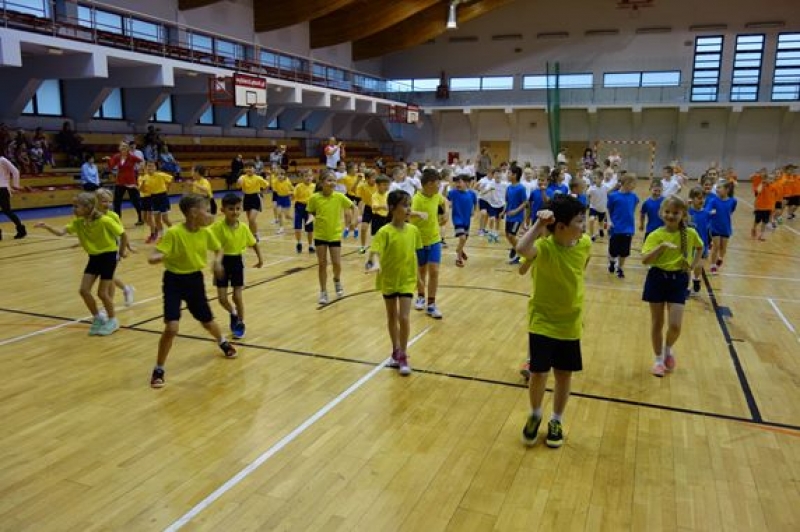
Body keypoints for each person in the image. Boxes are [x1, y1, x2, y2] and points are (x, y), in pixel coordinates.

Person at [518, 195, 591, 448]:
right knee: (539, 373)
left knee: (563, 375)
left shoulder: (585, 244)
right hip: (543, 321)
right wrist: (539, 225)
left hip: (570, 322)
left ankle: (556, 420)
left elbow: (581, 269)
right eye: (579, 221)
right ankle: (535, 414)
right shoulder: (545, 248)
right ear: (560, 226)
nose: (584, 225)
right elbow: (522, 249)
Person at [147, 194, 237, 389]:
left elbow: (219, 249)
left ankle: (222, 341)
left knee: (207, 321)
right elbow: (153, 256)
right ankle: (159, 369)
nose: (210, 215)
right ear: (194, 212)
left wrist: (217, 261)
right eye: (207, 210)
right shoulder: (174, 233)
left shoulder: (206, 232)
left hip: (195, 280)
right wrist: (158, 257)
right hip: (173, 281)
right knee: (172, 328)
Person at [35, 192, 128, 335]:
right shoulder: (79, 223)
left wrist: (121, 252)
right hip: (94, 257)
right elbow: (61, 232)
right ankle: (98, 318)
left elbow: (123, 234)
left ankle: (113, 320)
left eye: (76, 206)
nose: (73, 209)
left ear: (88, 207)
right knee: (84, 291)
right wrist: (46, 226)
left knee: (102, 293)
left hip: (108, 257)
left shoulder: (104, 220)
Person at [641, 196, 703, 377]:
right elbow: (645, 260)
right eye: (667, 212)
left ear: (683, 214)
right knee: (657, 322)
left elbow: (700, 247)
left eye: (675, 212)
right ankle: (658, 360)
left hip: (679, 280)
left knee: (675, 325)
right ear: (661, 213)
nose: (670, 215)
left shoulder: (690, 233)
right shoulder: (655, 235)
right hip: (657, 279)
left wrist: (692, 265)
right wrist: (660, 247)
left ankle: (668, 349)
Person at [364, 190, 423, 376]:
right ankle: (395, 350)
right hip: (388, 279)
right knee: (392, 316)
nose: (409, 209)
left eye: (409, 205)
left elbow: (414, 255)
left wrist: (419, 278)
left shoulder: (413, 230)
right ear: (391, 208)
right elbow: (375, 252)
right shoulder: (384, 232)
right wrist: (376, 264)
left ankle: (403, 354)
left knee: (404, 317)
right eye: (404, 205)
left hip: (407, 279)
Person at [210, 194, 264, 340]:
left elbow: (254, 243)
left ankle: (240, 322)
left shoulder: (244, 228)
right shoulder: (217, 227)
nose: (235, 212)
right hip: (222, 263)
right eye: (231, 209)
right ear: (222, 210)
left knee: (237, 296)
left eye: (238, 209)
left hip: (237, 262)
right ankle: (233, 312)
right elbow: (208, 240)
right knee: (222, 299)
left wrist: (260, 259)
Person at [307, 169, 355, 305]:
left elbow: (354, 207)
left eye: (334, 180)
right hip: (320, 234)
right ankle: (323, 291)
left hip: (334, 235)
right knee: (322, 264)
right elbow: (311, 212)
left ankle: (337, 280)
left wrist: (353, 221)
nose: (332, 182)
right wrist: (310, 219)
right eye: (329, 180)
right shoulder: (314, 198)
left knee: (337, 264)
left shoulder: (339, 197)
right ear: (322, 183)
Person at [411, 168, 445, 319]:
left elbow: (445, 202)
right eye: (438, 183)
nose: (439, 186)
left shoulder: (437, 196)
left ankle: (431, 304)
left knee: (434, 271)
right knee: (421, 271)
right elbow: (406, 212)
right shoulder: (416, 199)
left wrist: (446, 213)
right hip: (419, 241)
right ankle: (420, 296)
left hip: (434, 239)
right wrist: (418, 213)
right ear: (430, 184)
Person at [95, 188, 136, 307]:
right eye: (104, 201)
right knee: (108, 275)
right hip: (98, 250)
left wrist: (127, 247)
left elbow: (123, 233)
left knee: (108, 276)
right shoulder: (93, 216)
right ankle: (126, 289)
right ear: (96, 201)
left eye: (110, 201)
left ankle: (108, 304)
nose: (108, 204)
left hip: (113, 249)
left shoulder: (113, 216)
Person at [606, 174, 639, 279]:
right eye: (633, 183)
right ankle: (612, 262)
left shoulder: (634, 197)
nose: (634, 186)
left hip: (628, 229)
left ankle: (620, 268)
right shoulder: (613, 196)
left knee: (624, 252)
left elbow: (633, 208)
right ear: (626, 183)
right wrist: (609, 221)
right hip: (616, 228)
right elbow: (608, 209)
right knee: (613, 251)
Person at [106, 141, 143, 226]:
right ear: (119, 148)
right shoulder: (116, 157)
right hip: (120, 182)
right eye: (122, 146)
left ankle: (141, 218)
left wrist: (141, 168)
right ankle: (117, 220)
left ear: (128, 148)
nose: (123, 147)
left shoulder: (132, 157)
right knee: (117, 202)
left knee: (136, 201)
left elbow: (141, 161)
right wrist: (108, 160)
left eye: (125, 146)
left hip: (131, 182)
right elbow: (111, 167)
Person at [138, 160, 173, 243]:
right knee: (157, 219)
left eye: (152, 166)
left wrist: (167, 188)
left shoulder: (160, 175)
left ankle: (174, 233)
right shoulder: (145, 177)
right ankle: (161, 236)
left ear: (155, 167)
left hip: (163, 197)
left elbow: (171, 179)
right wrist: (143, 183)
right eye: (148, 166)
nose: (150, 168)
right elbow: (141, 190)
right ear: (146, 167)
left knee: (165, 219)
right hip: (153, 198)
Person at [447, 174, 478, 267]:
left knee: (464, 239)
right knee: (462, 238)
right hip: (457, 219)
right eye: (456, 182)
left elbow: (476, 204)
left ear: (467, 183)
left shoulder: (472, 194)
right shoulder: (454, 192)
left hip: (467, 220)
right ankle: (458, 258)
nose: (457, 184)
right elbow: (445, 198)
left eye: (459, 182)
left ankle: (459, 249)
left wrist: (474, 211)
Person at [687, 187, 713, 293]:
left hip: (702, 244)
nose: (701, 200)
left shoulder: (707, 213)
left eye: (703, 198)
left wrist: (710, 242)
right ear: (692, 199)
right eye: (698, 198)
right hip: (690, 244)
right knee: (688, 266)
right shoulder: (688, 212)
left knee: (699, 265)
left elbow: (709, 229)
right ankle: (687, 287)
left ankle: (696, 279)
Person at [236, 161, 270, 241]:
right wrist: (238, 182)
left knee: (252, 219)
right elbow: (238, 186)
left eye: (250, 167)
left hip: (255, 198)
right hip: (246, 198)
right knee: (250, 220)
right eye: (246, 168)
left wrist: (263, 192)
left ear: (254, 169)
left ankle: (254, 234)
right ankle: (253, 234)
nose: (248, 169)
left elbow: (267, 185)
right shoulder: (242, 177)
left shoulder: (258, 178)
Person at [708, 181, 737, 275]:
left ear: (727, 190)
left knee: (723, 248)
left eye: (719, 187)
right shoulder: (713, 201)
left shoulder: (733, 201)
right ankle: (713, 266)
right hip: (714, 227)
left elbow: (731, 210)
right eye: (717, 187)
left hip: (726, 227)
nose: (717, 189)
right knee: (715, 246)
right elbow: (707, 210)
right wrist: (710, 212)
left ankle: (720, 259)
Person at [505, 166, 528, 264]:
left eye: (509, 173)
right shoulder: (508, 187)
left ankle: (520, 254)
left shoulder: (521, 188)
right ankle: (515, 247)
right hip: (508, 216)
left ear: (515, 175)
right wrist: (503, 211)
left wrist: (516, 211)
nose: (507, 175)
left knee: (511, 235)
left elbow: (525, 202)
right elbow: (507, 201)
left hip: (517, 217)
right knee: (507, 235)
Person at [0, 155, 27, 239]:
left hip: (2, 189)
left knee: (7, 211)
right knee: (7, 211)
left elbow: (16, 171)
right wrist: (13, 187)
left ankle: (21, 230)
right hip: (3, 189)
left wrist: (15, 185)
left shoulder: (2, 160)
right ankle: (21, 230)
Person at [292, 169, 316, 254]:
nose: (308, 178)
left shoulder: (315, 187)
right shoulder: (298, 186)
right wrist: (291, 195)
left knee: (310, 229)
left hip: (310, 208)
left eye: (310, 176)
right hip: (300, 207)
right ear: (302, 178)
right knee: (297, 227)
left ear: (312, 177)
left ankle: (310, 246)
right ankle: (299, 243)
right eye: (306, 176)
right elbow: (293, 196)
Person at [356, 170, 378, 253]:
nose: (374, 179)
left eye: (375, 177)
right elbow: (359, 199)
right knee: (363, 228)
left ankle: (378, 246)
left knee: (377, 232)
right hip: (368, 209)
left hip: (378, 210)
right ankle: (363, 246)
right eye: (373, 177)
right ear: (367, 179)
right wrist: (360, 213)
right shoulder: (362, 186)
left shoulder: (378, 185)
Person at [639, 179, 665, 243]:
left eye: (659, 191)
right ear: (650, 189)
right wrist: (641, 224)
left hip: (663, 229)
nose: (657, 193)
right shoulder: (646, 202)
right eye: (655, 190)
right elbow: (642, 214)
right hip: (650, 229)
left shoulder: (665, 201)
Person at [270, 169, 294, 235]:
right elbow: (275, 190)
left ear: (284, 175)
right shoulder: (275, 182)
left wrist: (290, 193)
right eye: (278, 174)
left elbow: (293, 190)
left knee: (287, 216)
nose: (280, 176)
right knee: (279, 213)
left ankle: (295, 220)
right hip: (279, 199)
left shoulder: (287, 182)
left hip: (286, 199)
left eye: (281, 174)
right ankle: (281, 228)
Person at [587, 171, 609, 241]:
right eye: (595, 178)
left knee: (601, 221)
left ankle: (600, 229)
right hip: (593, 207)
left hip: (602, 208)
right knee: (591, 219)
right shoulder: (591, 188)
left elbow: (609, 193)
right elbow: (587, 195)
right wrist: (588, 203)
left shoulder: (605, 187)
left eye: (598, 178)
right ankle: (592, 235)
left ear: (602, 179)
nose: (596, 180)